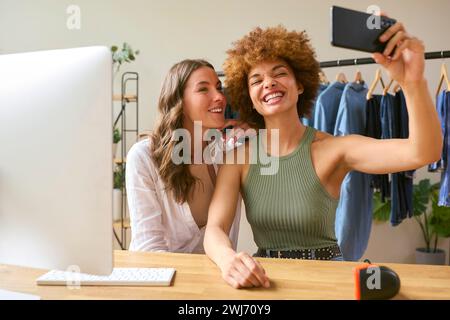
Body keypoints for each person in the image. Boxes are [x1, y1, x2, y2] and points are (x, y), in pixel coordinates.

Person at [204, 24, 443, 289]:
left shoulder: (335, 150)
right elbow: (214, 228)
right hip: (267, 283)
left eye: (279, 73)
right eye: (256, 80)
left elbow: (423, 151)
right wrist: (228, 260)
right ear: (249, 97)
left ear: (300, 85)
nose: (268, 83)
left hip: (327, 280)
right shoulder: (239, 158)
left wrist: (413, 83)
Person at [126, 59, 247, 253]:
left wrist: (257, 131)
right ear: (179, 102)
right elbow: (148, 248)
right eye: (203, 89)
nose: (220, 97)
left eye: (218, 87)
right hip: (162, 278)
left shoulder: (231, 154)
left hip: (218, 279)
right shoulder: (144, 157)